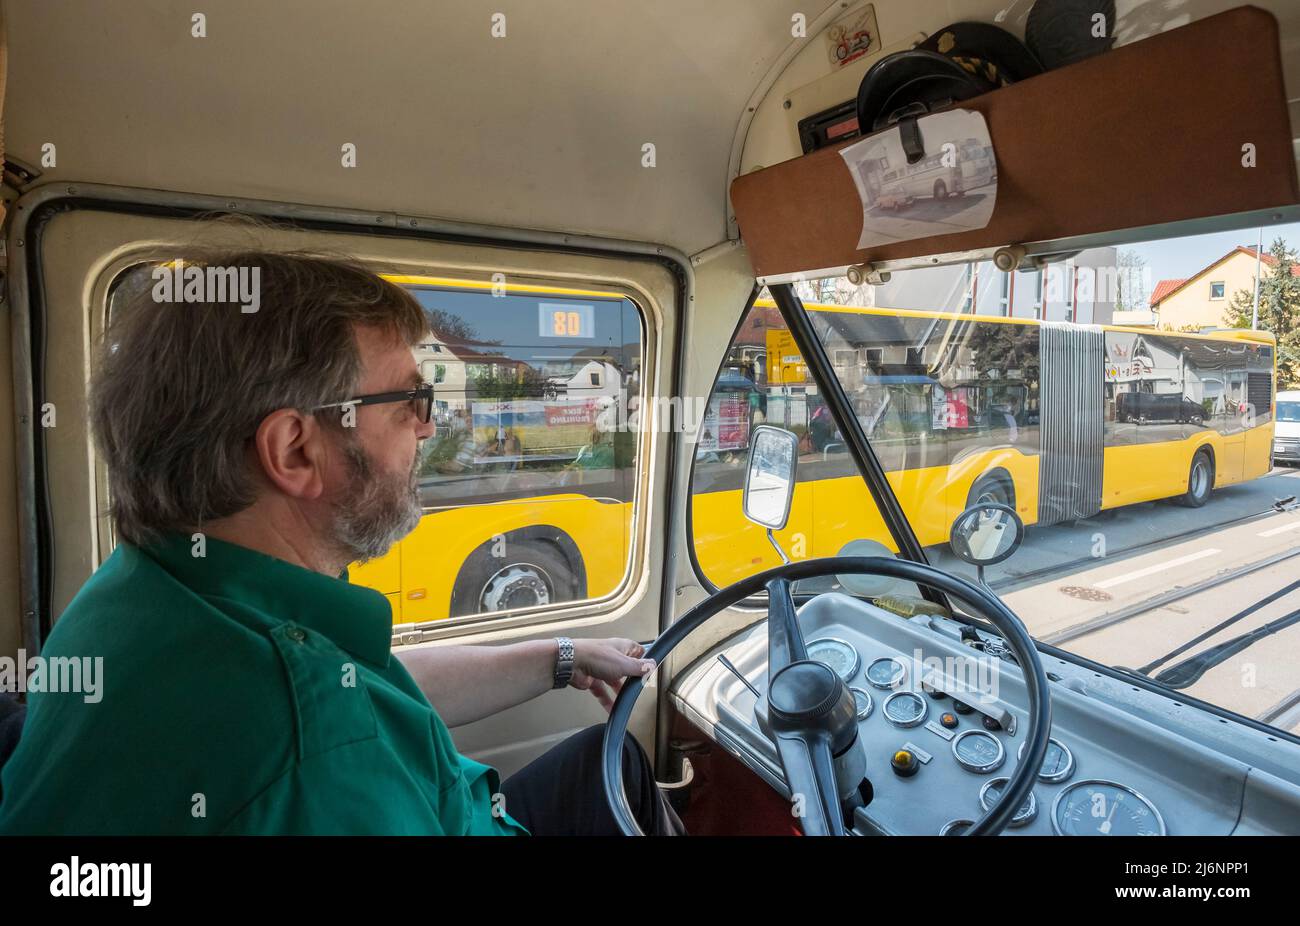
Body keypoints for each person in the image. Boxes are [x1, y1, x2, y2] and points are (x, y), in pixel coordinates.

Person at [0, 250, 684, 836]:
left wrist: (560, 657)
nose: (426, 429)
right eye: (412, 401)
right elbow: (331, 721)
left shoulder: (145, 589)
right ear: (295, 450)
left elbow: (364, 684)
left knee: (610, 758)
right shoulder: (315, 759)